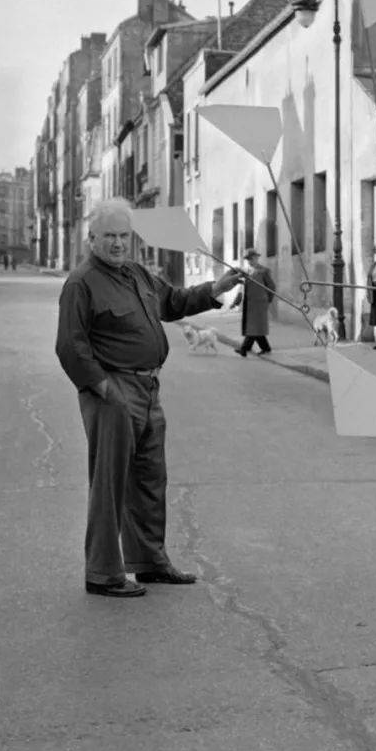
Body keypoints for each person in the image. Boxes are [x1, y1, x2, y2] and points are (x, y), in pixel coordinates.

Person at [55, 197, 242, 598]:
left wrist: (215, 289)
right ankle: (103, 573)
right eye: (109, 236)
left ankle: (149, 563)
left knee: (149, 479)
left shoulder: (138, 274)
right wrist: (105, 391)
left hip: (149, 388)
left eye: (124, 236)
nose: (118, 243)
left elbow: (173, 302)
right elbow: (71, 346)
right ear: (92, 239)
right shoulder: (81, 283)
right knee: (110, 483)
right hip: (113, 391)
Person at [235, 248, 276, 356]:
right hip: (249, 304)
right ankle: (265, 348)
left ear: (257, 258)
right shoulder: (247, 272)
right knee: (255, 328)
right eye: (248, 259)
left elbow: (271, 286)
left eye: (251, 258)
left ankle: (244, 349)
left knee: (253, 327)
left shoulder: (263, 271)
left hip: (259, 304)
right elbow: (242, 288)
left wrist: (268, 299)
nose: (249, 261)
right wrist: (236, 301)